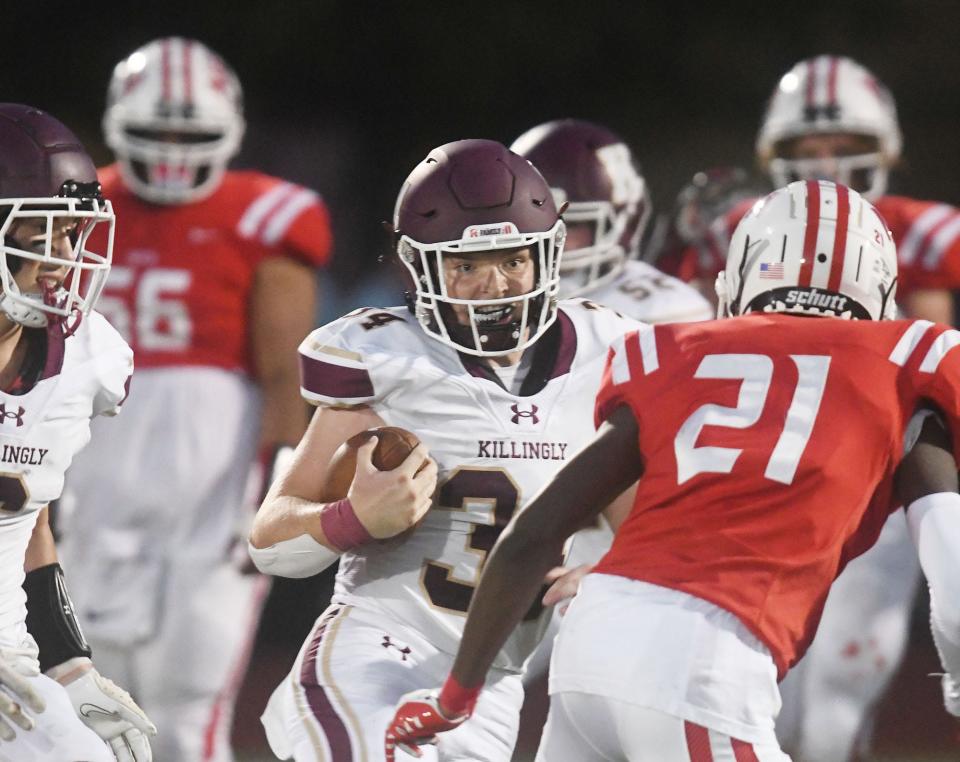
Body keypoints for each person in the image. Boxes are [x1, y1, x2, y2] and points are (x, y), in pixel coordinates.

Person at [384, 180, 960, 761]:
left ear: (737, 281)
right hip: (701, 662)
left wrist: (454, 699)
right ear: (882, 291)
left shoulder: (673, 352)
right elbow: (954, 582)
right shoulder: (907, 364)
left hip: (592, 644)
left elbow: (531, 538)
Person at [248, 138, 643, 762]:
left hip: (490, 685)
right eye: (467, 265)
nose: (494, 285)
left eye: (513, 260)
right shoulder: (384, 359)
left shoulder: (606, 354)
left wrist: (629, 572)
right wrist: (349, 520)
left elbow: (642, 528)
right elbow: (268, 542)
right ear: (422, 267)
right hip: (374, 649)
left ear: (548, 255)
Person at [661, 56, 960, 760]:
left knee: (837, 692)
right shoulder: (741, 228)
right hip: (773, 470)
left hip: (873, 474)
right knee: (766, 688)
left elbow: (932, 364)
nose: (825, 165)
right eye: (807, 152)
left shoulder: (921, 232)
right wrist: (678, 244)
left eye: (839, 147)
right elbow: (691, 331)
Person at [58, 37, 333, 762]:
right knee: (82, 705)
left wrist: (280, 486)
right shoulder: (75, 206)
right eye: (159, 133)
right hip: (92, 479)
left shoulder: (264, 215)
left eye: (192, 133)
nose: (175, 151)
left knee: (184, 711)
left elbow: (285, 373)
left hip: (211, 488)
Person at [0, 103, 155, 761]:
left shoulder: (86, 359)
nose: (65, 259)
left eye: (73, 234)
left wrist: (72, 668)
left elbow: (29, 518)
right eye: (41, 233)